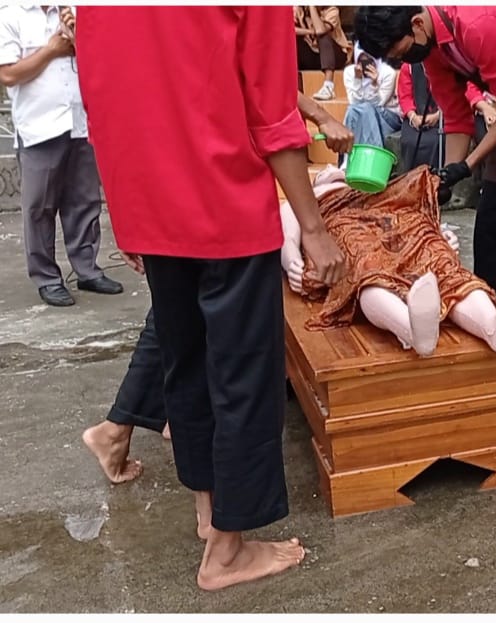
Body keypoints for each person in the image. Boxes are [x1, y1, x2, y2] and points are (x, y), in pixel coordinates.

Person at [77, 6, 346, 591]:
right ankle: (226, 552)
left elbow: (101, 98)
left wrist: (127, 212)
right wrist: (314, 227)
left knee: (188, 364)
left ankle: (209, 514)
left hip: (153, 202)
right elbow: (273, 112)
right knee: (244, 378)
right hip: (226, 205)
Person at [81, 92, 353, 488]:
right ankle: (130, 430)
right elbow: (264, 88)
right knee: (198, 321)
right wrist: (313, 229)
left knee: (179, 317)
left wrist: (126, 213)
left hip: (171, 176)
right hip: (208, 180)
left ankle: (131, 426)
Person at [353, 6, 496, 339]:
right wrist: (447, 175)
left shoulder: (477, 24)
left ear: (417, 24)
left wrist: (468, 164)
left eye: (403, 52)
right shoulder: (429, 48)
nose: (406, 60)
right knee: (493, 228)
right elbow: (455, 115)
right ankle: (488, 322)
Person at [286, 166, 496, 356]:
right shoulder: (307, 199)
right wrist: (292, 261)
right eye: (325, 170)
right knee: (367, 266)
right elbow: (288, 234)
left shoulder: (383, 189)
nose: (333, 168)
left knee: (441, 261)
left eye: (339, 167)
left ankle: (495, 329)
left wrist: (439, 233)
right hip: (343, 225)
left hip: (398, 220)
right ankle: (412, 328)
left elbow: (418, 211)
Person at [0, 5, 124, 307]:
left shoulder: (72, 10)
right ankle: (47, 278)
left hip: (79, 121)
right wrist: (52, 51)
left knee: (85, 202)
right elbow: (8, 74)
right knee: (39, 208)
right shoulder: (10, 13)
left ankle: (87, 270)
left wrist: (80, 38)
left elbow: (103, 61)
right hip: (39, 126)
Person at [342, 48, 401, 150]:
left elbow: (378, 104)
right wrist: (357, 80)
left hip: (387, 116)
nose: (366, 64)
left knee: (365, 109)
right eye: (361, 60)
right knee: (352, 110)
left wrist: (374, 84)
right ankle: (352, 154)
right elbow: (354, 103)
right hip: (363, 112)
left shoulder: (388, 72)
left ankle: (364, 152)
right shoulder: (349, 72)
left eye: (370, 60)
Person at [295, 5, 351, 101]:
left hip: (335, 56)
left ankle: (328, 86)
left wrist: (312, 7)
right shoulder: (300, 11)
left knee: (323, 35)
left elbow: (320, 30)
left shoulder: (332, 10)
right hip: (314, 54)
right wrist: (309, 31)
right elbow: (290, 29)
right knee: (292, 39)